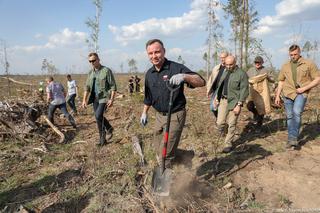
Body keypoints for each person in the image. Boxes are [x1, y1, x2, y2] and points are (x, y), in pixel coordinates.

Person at [140, 39, 205, 168]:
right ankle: (184, 155)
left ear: (164, 51)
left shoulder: (176, 68)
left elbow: (201, 81)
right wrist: (144, 113)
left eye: (157, 52)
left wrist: (185, 77)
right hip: (159, 116)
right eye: (150, 53)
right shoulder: (149, 74)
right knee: (158, 148)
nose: (154, 56)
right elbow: (148, 97)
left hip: (175, 114)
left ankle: (167, 182)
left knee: (166, 154)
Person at [275, 44, 320, 149]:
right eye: (291, 55)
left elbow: (317, 79)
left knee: (297, 112)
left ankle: (294, 137)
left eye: (295, 54)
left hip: (301, 93)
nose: (293, 56)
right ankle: (291, 139)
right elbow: (281, 80)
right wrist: (277, 96)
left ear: (299, 53)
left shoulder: (309, 64)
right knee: (290, 116)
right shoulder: (285, 65)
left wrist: (304, 89)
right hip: (287, 93)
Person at [213, 55, 249, 153]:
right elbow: (220, 85)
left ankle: (228, 144)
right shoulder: (224, 71)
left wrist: (239, 104)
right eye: (226, 64)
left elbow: (244, 90)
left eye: (230, 64)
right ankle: (225, 135)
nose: (228, 66)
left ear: (235, 62)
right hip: (223, 100)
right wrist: (217, 98)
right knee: (220, 122)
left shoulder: (241, 74)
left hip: (235, 102)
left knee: (231, 124)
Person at [82, 52, 117, 146]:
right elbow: (87, 87)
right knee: (98, 117)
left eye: (93, 60)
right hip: (94, 98)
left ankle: (103, 139)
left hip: (104, 98)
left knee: (98, 116)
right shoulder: (90, 73)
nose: (92, 63)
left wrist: (112, 99)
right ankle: (108, 129)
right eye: (90, 61)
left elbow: (113, 86)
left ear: (98, 60)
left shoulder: (106, 70)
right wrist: (84, 100)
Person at [246, 56, 275, 131]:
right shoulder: (250, 70)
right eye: (256, 62)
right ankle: (255, 114)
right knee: (249, 106)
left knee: (261, 109)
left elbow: (272, 80)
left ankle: (259, 124)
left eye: (259, 62)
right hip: (253, 92)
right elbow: (246, 79)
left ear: (262, 62)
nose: (257, 63)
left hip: (262, 93)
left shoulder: (266, 70)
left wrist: (268, 77)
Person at [207, 52, 229, 118]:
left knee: (221, 107)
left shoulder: (230, 68)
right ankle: (218, 119)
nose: (222, 59)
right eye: (221, 57)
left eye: (224, 57)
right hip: (216, 90)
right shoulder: (216, 68)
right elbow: (211, 79)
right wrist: (208, 90)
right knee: (213, 108)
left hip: (224, 91)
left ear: (227, 57)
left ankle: (221, 121)